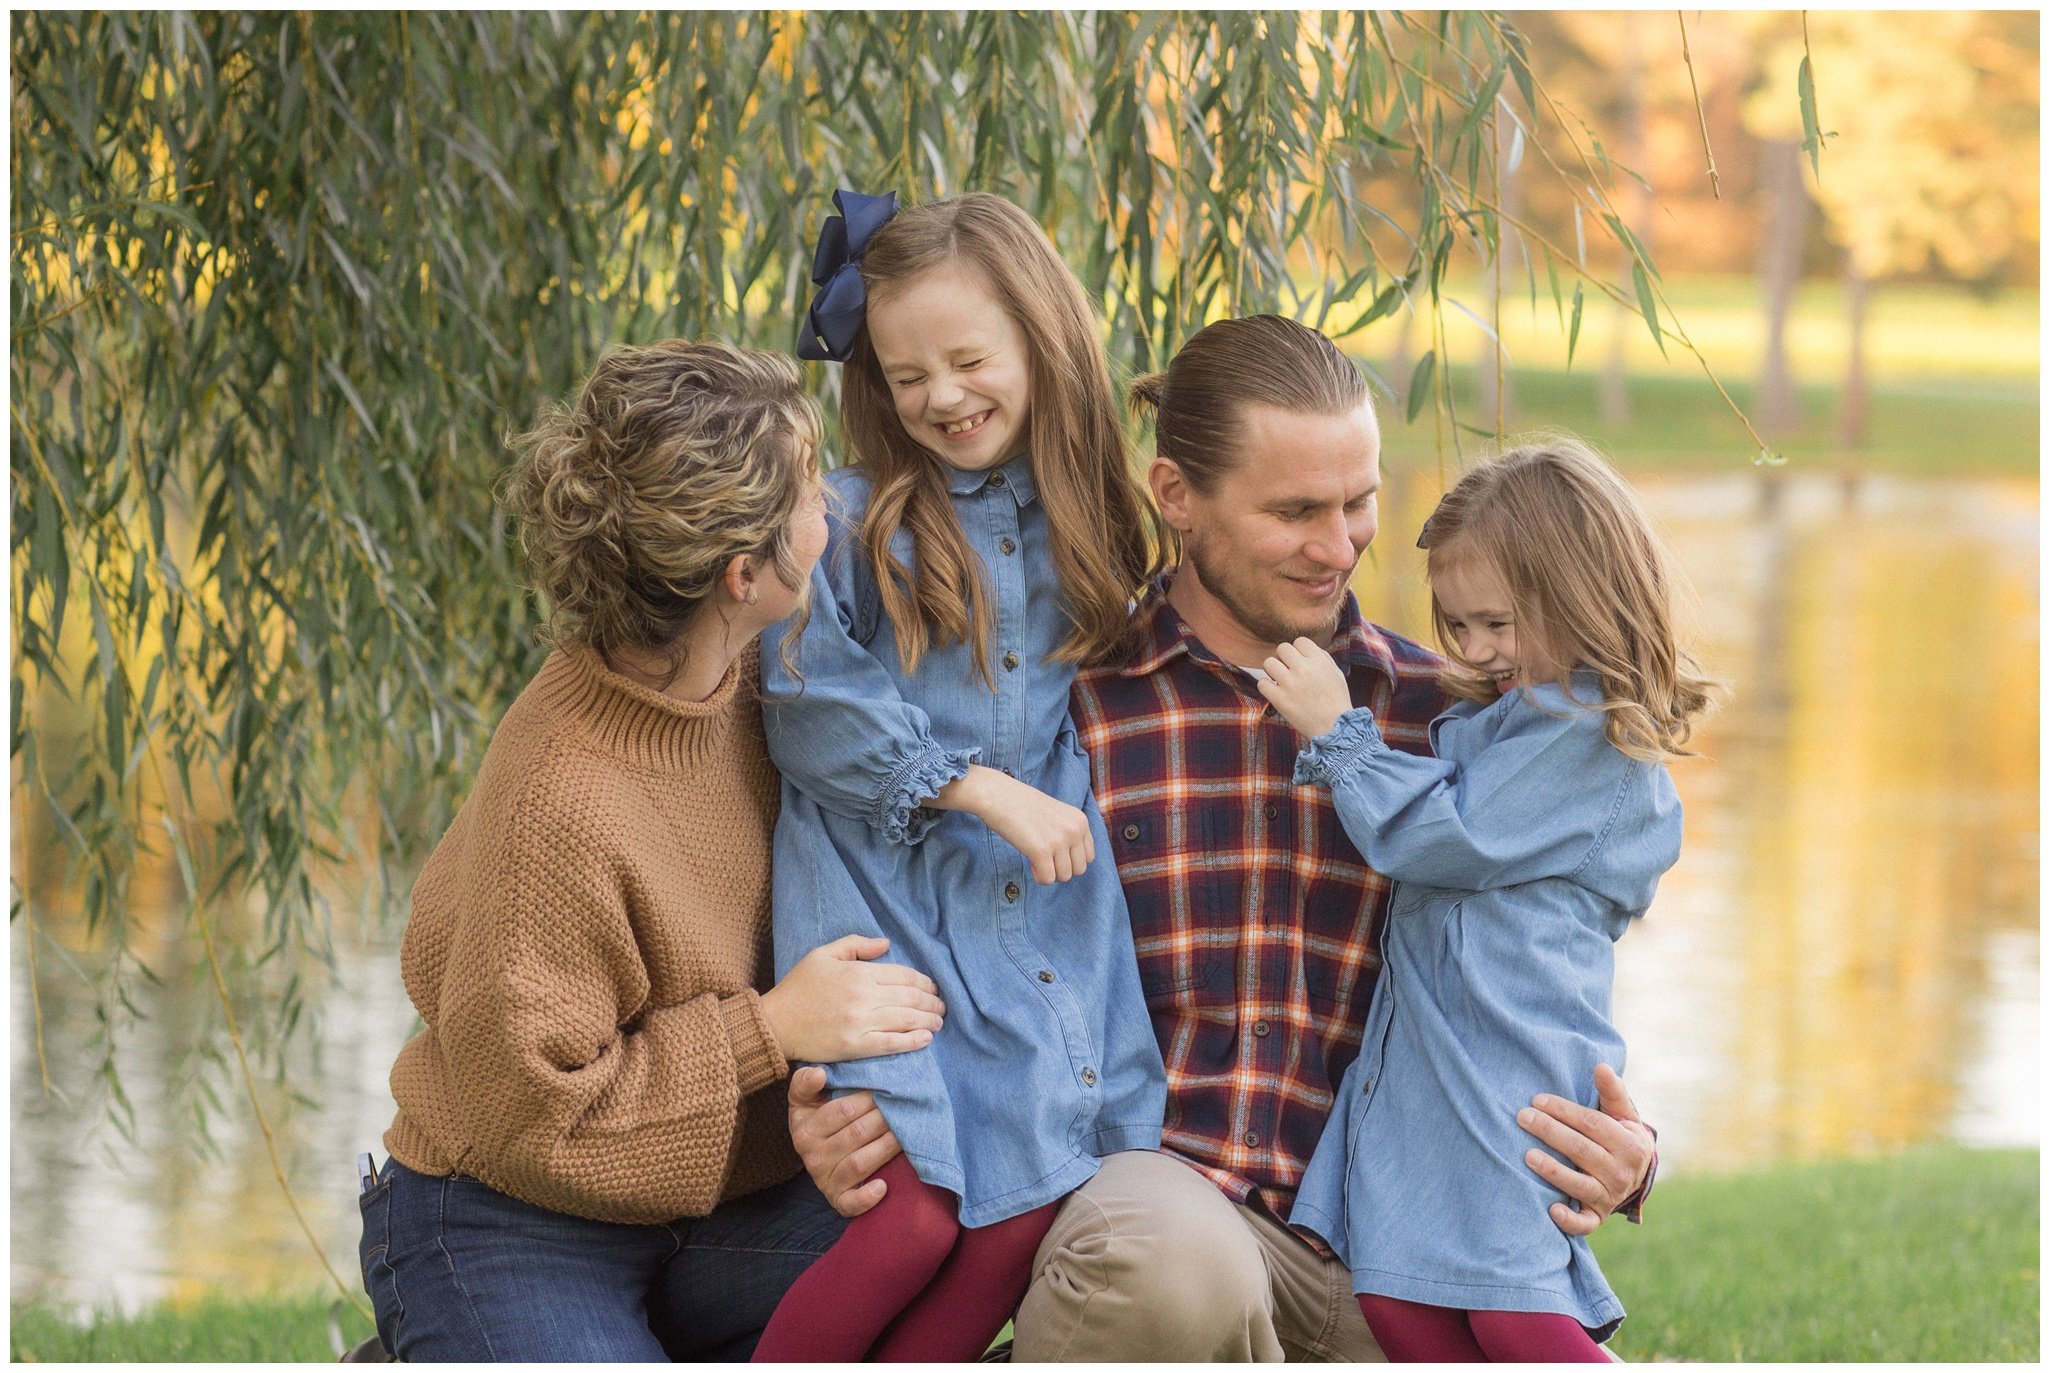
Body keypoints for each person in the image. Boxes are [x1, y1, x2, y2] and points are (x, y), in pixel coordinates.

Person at [788, 315, 1661, 1361]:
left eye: (1358, 501)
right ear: (1175, 497)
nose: (1338, 545)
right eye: (1294, 510)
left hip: (1388, 1232)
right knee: (1168, 1266)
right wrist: (858, 1116)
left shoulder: (1457, 717)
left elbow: (1545, 970)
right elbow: (941, 934)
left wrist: (1633, 1150)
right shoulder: (1064, 714)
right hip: (1168, 1205)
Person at [357, 340, 947, 1362]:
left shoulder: (780, 676)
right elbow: (533, 1117)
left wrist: (814, 1098)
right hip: (507, 1212)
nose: (835, 508)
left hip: (728, 1195)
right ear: (742, 574)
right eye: (811, 492)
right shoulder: (563, 795)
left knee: (981, 1194)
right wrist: (768, 1031)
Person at [748, 189, 1170, 1362]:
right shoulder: (845, 523)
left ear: (1043, 341)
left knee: (1026, 1208)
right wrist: (975, 787)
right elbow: (804, 701)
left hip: (1033, 915)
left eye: (969, 360)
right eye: (903, 372)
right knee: (911, 1218)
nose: (940, 396)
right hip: (884, 917)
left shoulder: (1092, 525)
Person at [1265, 437, 1717, 1360]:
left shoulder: (1588, 727)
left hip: (1508, 1081)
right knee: (1402, 1306)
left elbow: (1444, 835)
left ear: (1580, 596)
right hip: (1430, 1077)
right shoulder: (1505, 714)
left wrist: (1336, 732)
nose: (1473, 650)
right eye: (1457, 625)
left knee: (1513, 1312)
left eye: (1497, 624)